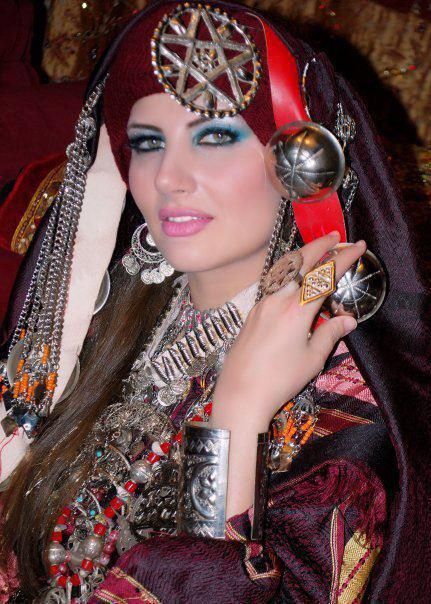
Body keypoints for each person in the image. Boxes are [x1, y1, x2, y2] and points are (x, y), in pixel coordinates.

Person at [0, 0, 429, 601]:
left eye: (216, 136)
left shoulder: (344, 404)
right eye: (146, 143)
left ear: (300, 162)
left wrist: (237, 417)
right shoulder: (95, 328)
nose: (168, 176)